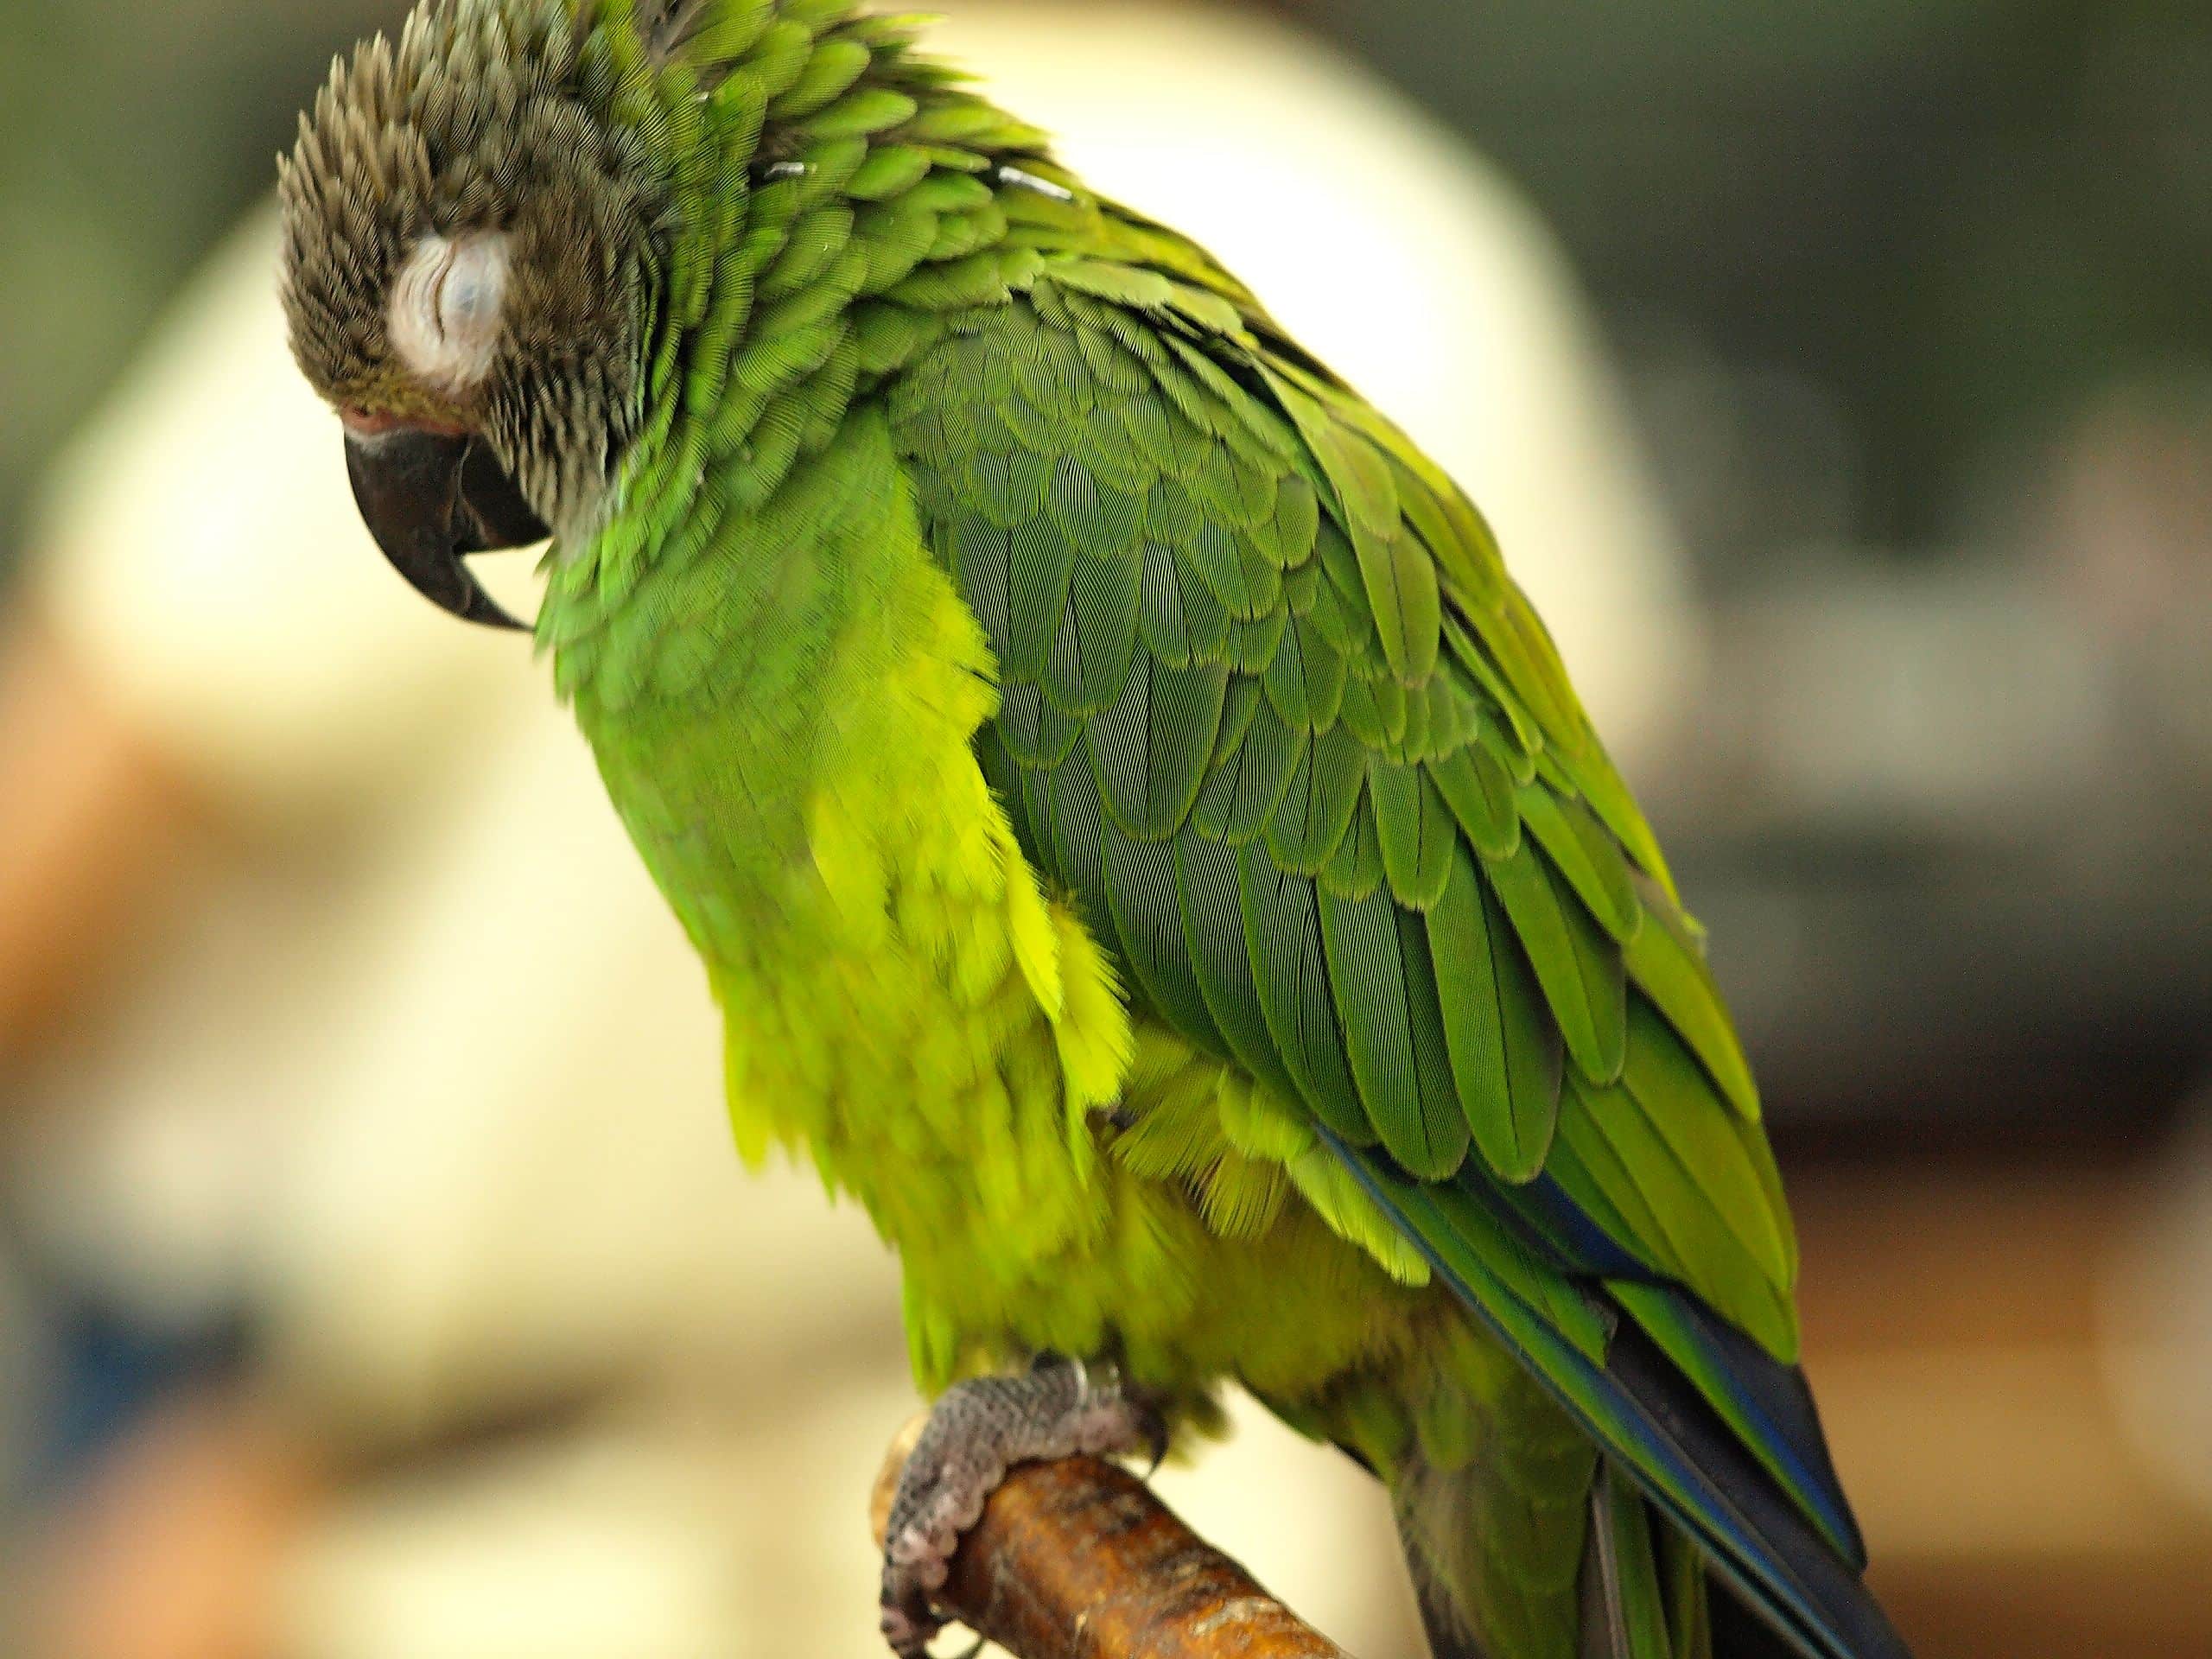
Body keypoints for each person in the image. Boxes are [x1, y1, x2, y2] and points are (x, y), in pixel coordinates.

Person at [0, 7, 1696, 1655]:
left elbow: (38, 869)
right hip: (734, 1523)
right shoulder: (1429, 246)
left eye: (452, 327)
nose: (414, 450)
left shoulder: (1048, 393)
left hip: (676, 1541)